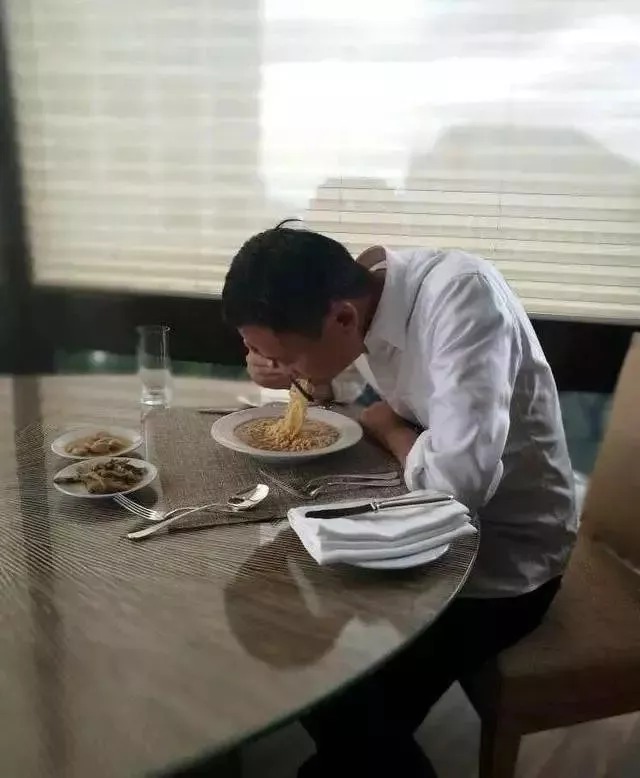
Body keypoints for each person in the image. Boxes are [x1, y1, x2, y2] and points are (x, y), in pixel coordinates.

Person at [221, 225, 577, 778]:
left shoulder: (463, 301)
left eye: (284, 357)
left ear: (342, 318)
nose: (278, 368)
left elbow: (458, 486)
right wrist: (299, 372)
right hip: (421, 534)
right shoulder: (365, 299)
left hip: (504, 561)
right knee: (304, 657)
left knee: (337, 697)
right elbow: (353, 388)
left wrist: (389, 428)